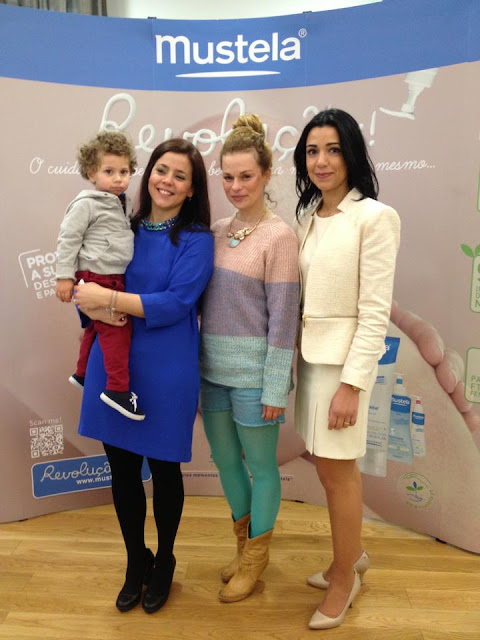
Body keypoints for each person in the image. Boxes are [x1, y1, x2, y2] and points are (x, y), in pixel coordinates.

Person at [72, 139, 214, 614]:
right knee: (122, 471)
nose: (167, 181)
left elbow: (176, 303)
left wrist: (108, 300)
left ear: (192, 189)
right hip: (114, 366)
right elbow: (89, 281)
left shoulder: (197, 238)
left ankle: (166, 558)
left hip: (167, 368)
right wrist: (88, 301)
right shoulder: (120, 223)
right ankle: (137, 559)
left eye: (180, 175)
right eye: (161, 170)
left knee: (166, 471)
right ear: (147, 173)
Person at [293, 108, 400, 630]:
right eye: (313, 151)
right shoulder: (307, 216)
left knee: (338, 475)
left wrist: (353, 385)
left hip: (343, 370)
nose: (322, 161)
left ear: (351, 153)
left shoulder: (375, 217)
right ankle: (352, 556)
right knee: (329, 467)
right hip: (310, 361)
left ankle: (344, 578)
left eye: (333, 149)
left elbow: (375, 312)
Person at [199, 114, 299, 603]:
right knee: (225, 462)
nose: (236, 186)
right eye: (228, 176)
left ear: (266, 174)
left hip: (256, 377)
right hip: (210, 373)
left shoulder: (280, 236)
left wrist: (276, 385)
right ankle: (242, 551)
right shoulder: (216, 230)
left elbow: (284, 319)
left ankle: (256, 561)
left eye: (246, 176)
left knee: (261, 467)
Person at [55, 130, 144, 420]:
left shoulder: (123, 202)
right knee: (118, 332)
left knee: (95, 329)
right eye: (109, 172)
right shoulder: (86, 204)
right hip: (97, 277)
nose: (118, 178)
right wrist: (64, 276)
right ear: (92, 173)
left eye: (124, 172)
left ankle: (82, 373)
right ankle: (117, 389)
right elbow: (68, 238)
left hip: (111, 276)